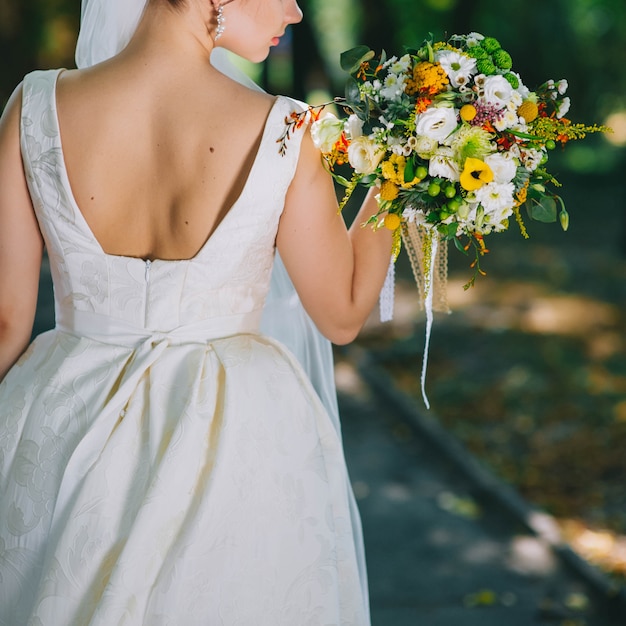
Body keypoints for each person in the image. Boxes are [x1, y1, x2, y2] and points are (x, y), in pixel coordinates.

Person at [0, 0, 393, 623]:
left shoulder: (35, 106)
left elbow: (5, 324)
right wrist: (406, 175)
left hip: (63, 418)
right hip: (240, 433)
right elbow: (342, 316)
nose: (293, 10)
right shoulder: (285, 129)